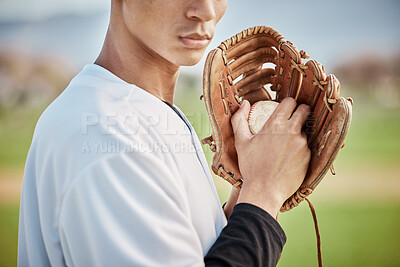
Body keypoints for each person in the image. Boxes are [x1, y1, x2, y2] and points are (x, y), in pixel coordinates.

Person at [18, 0, 311, 266]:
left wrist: (248, 190)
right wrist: (264, 193)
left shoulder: (137, 108)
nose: (206, 11)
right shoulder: (109, 136)